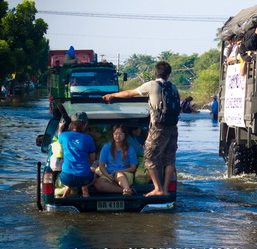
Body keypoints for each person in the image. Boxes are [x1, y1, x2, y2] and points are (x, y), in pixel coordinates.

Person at [102, 61, 179, 197]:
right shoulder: (173, 88)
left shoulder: (152, 85)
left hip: (158, 127)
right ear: (168, 75)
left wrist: (112, 95)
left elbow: (130, 93)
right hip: (173, 127)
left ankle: (158, 189)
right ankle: (166, 189)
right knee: (169, 159)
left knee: (149, 157)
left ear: (155, 73)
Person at [57, 112, 96, 198]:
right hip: (84, 178)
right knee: (94, 174)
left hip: (67, 177)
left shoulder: (64, 136)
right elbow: (93, 157)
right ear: (84, 124)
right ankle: (85, 188)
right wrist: (87, 166)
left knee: (61, 174)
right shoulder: (88, 138)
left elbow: (59, 136)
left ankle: (67, 187)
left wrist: (60, 127)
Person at [94, 125, 138, 196]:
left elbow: (133, 168)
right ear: (113, 135)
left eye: (121, 134)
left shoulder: (130, 148)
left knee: (119, 174)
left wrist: (120, 171)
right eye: (116, 133)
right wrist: (107, 175)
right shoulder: (106, 147)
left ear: (125, 135)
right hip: (109, 174)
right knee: (98, 183)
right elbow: (101, 166)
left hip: (125, 174)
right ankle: (125, 191)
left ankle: (126, 188)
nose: (118, 136)